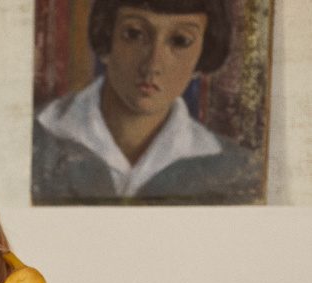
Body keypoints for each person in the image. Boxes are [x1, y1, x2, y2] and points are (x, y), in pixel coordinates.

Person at [32, 0, 262, 204]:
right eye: (134, 34)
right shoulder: (34, 139)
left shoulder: (237, 170)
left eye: (180, 41)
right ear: (107, 37)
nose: (153, 64)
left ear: (204, 53)